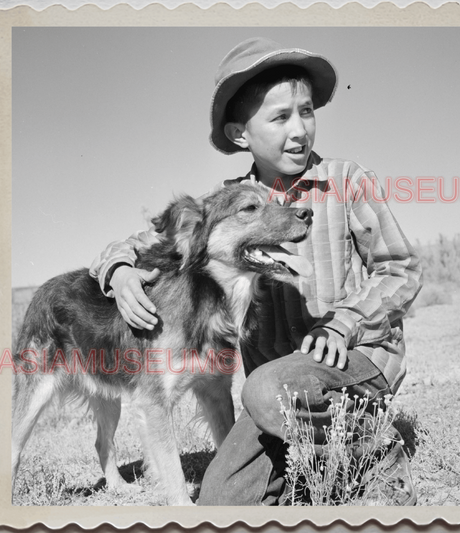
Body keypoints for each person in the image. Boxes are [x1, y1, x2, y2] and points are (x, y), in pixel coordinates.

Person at [89, 37, 423, 506]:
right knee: (220, 499)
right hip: (277, 390)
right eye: (280, 117)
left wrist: (345, 322)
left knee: (264, 390)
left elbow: (401, 268)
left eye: (306, 112)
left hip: (355, 360)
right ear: (241, 133)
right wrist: (120, 271)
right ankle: (310, 460)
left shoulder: (347, 180)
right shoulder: (230, 203)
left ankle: (375, 450)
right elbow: (151, 238)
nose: (300, 130)